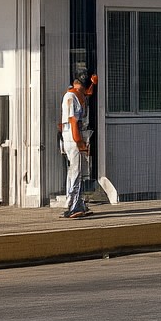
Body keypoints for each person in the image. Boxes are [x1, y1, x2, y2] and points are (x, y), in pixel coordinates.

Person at [61, 71, 98, 219]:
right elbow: (73, 121)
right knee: (77, 172)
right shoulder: (72, 97)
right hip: (73, 138)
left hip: (70, 137)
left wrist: (93, 84)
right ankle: (74, 206)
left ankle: (76, 203)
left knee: (74, 171)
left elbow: (88, 94)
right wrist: (79, 142)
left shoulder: (76, 95)